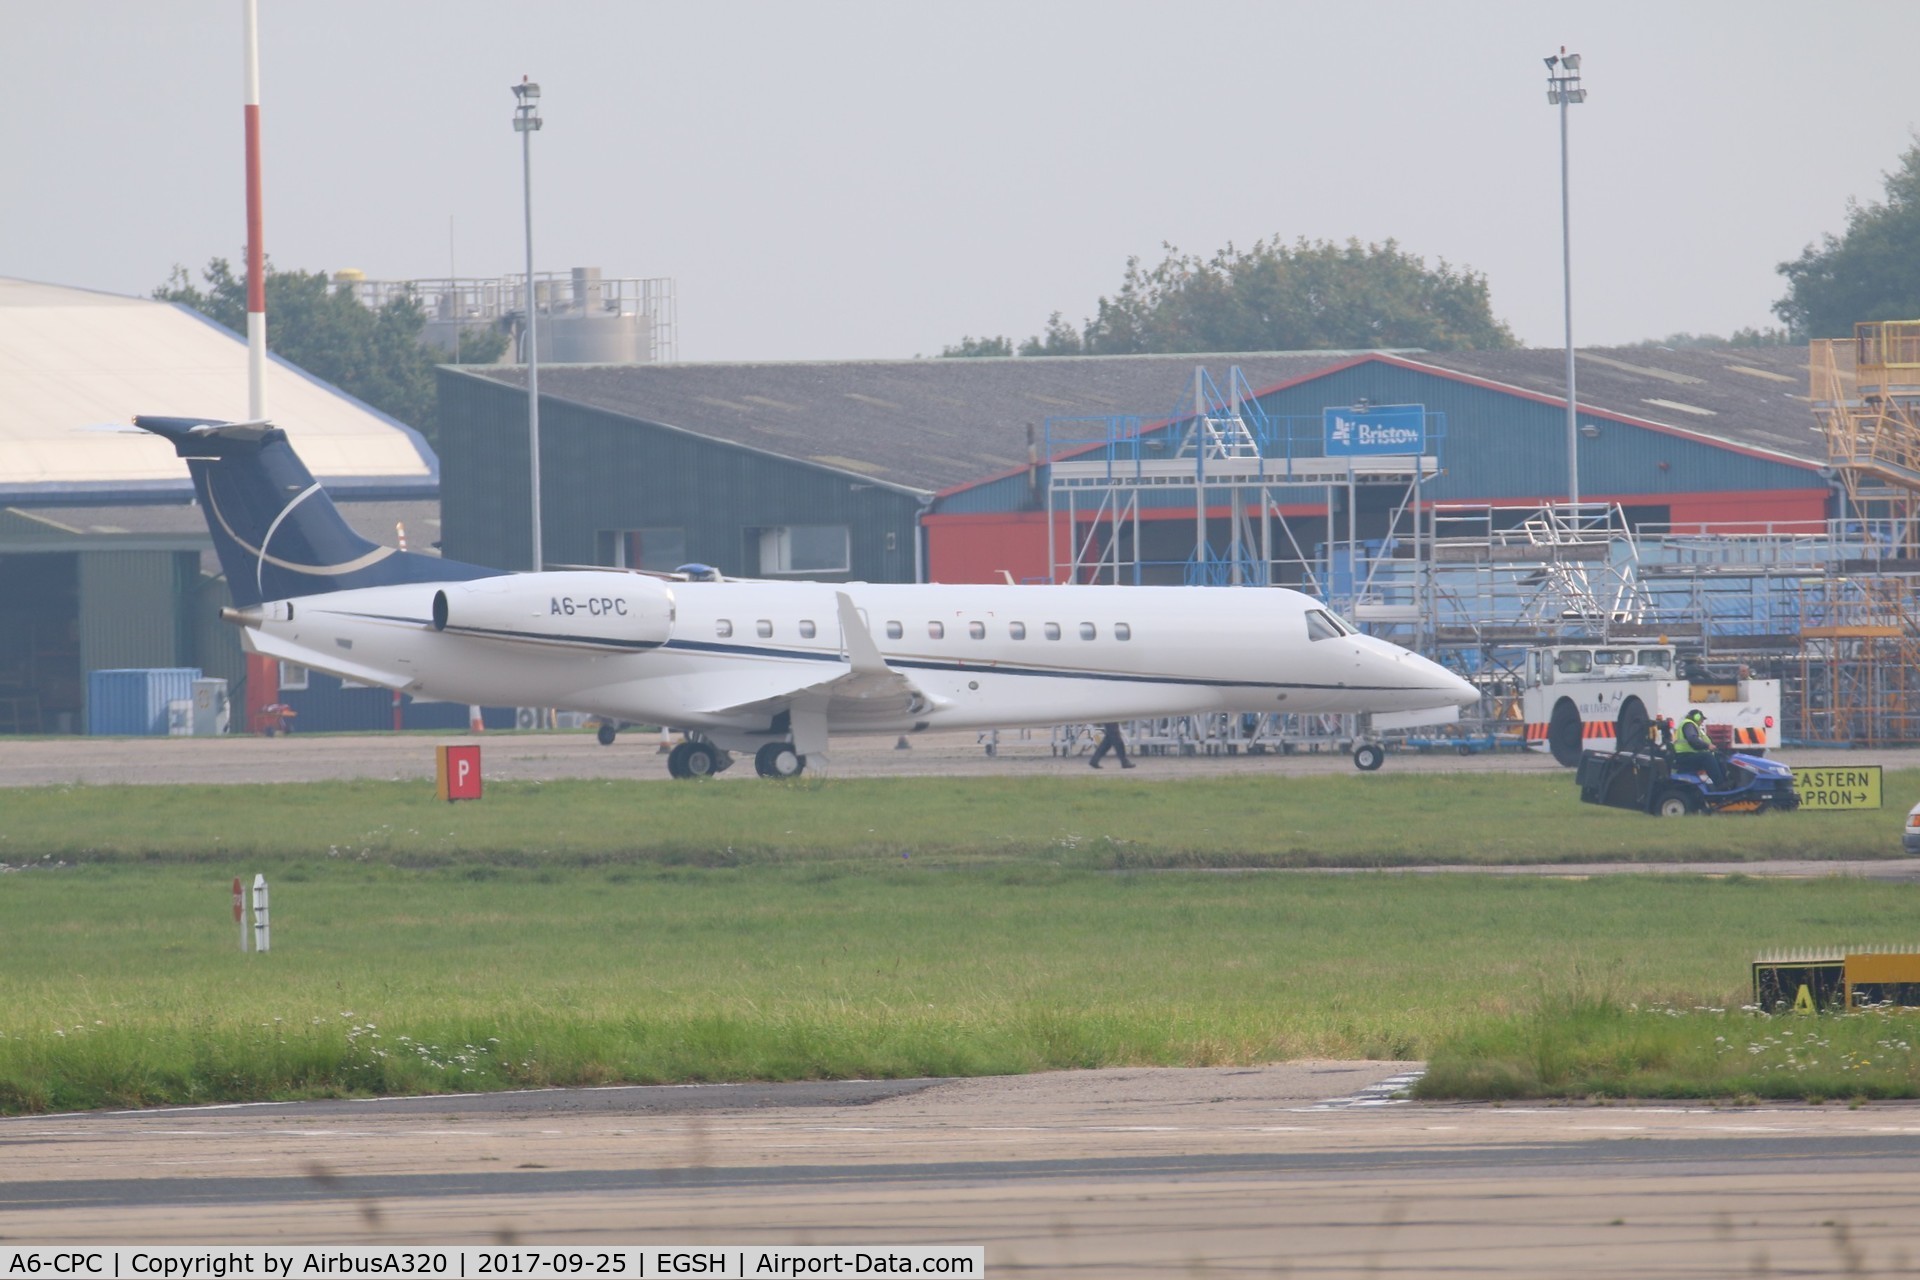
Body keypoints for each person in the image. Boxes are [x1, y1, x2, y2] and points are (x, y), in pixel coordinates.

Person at [1674, 708, 1726, 789]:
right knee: (1707, 757)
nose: (1702, 721)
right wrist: (1707, 746)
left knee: (1718, 755)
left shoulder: (1693, 726)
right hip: (1684, 756)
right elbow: (1693, 740)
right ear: (1696, 717)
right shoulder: (1688, 724)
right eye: (1701, 719)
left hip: (1688, 755)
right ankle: (1720, 784)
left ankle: (1725, 781)